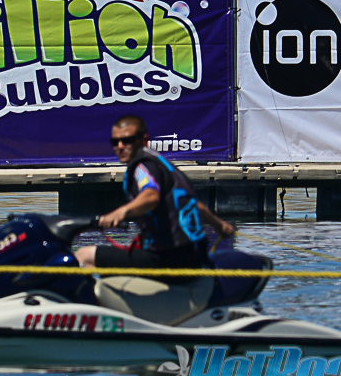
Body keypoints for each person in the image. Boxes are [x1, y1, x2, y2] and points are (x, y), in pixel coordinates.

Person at [75, 114, 235, 273]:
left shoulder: (142, 167)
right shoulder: (161, 165)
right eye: (115, 142)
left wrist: (120, 213)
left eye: (127, 140)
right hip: (194, 254)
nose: (120, 146)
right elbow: (192, 203)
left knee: (84, 255)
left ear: (143, 140)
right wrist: (220, 226)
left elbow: (151, 195)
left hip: (167, 259)